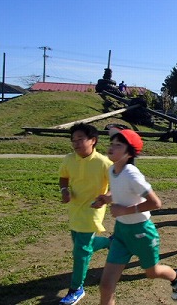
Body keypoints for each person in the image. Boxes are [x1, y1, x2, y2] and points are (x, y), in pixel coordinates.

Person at [94, 127, 177, 304]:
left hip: (142, 232)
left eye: (118, 145)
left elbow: (155, 203)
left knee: (152, 273)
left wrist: (124, 210)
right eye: (112, 143)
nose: (112, 147)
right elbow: (121, 192)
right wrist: (106, 199)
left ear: (129, 153)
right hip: (121, 233)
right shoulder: (113, 170)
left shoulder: (132, 174)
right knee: (106, 286)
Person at [58, 123, 113, 305]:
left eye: (80, 139)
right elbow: (63, 177)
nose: (76, 143)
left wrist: (104, 199)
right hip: (75, 208)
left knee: (80, 251)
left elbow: (116, 186)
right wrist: (64, 190)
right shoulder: (69, 159)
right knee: (82, 245)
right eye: (73, 140)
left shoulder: (104, 162)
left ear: (93, 141)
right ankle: (110, 242)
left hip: (93, 209)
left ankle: (76, 288)